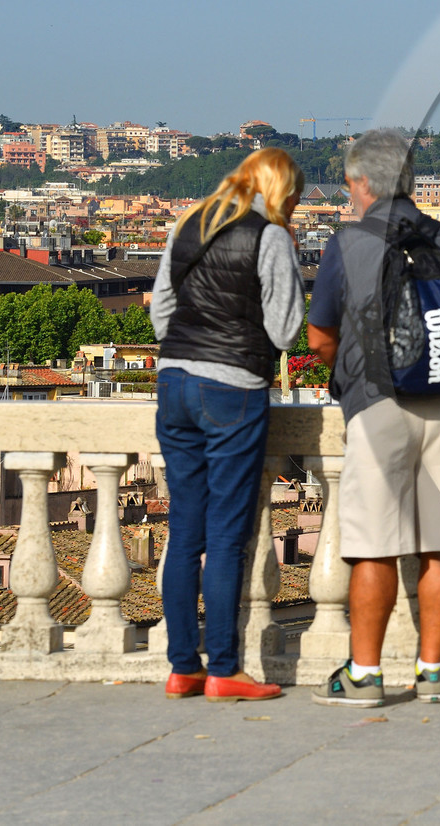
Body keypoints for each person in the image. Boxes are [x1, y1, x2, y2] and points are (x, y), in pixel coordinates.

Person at [307, 128, 440, 708]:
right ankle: (433, 672)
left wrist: (351, 378)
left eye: (350, 184)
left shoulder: (349, 242)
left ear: (362, 183)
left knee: (374, 546)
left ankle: (364, 675)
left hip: (379, 404)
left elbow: (320, 336)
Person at [152, 147, 305, 703]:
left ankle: (180, 668)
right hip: (232, 386)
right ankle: (222, 669)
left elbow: (160, 313)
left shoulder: (187, 224)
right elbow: (286, 329)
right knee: (224, 538)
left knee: (183, 530)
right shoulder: (269, 236)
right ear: (281, 189)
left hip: (172, 383)